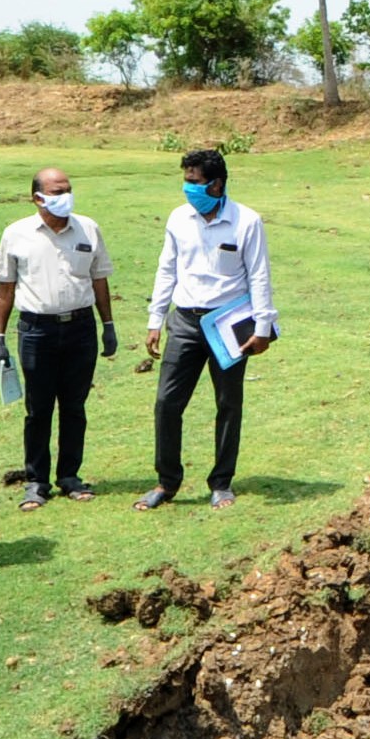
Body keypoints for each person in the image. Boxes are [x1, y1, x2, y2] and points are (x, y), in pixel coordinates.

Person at [137, 149, 275, 511]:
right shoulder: (179, 219)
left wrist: (262, 327)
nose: (188, 189)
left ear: (217, 184)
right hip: (184, 321)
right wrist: (156, 319)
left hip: (229, 324)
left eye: (194, 182)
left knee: (228, 403)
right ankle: (167, 482)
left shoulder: (246, 221)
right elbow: (167, 269)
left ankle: (221, 483)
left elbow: (259, 275)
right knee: (167, 402)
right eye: (185, 181)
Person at [0, 168, 118, 509]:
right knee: (38, 408)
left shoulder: (88, 228)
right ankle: (36, 480)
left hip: (80, 327)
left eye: (68, 189)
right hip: (36, 330)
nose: (65, 196)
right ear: (38, 198)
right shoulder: (17, 234)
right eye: (57, 191)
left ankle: (70, 476)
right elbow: (5, 288)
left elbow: (100, 279)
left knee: (74, 406)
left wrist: (108, 325)